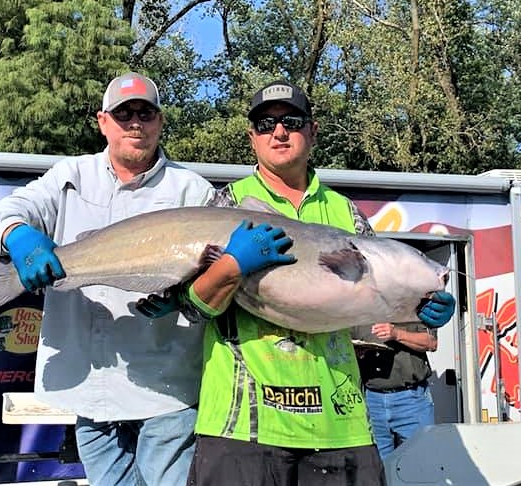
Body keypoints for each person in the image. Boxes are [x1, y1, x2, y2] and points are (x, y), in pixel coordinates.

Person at [138, 80, 456, 485]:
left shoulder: (346, 213)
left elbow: (368, 314)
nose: (279, 132)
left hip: (340, 425)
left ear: (313, 130)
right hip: (243, 427)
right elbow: (193, 306)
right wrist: (232, 266)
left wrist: (419, 309)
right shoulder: (226, 205)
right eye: (265, 124)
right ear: (252, 137)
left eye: (291, 121)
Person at [0, 71, 214, 485]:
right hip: (87, 388)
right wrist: (18, 236)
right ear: (103, 121)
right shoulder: (69, 175)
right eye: (124, 114)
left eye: (146, 113)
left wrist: (182, 296)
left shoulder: (192, 190)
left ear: (160, 121)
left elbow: (217, 280)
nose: (136, 124)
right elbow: (6, 211)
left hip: (167, 391)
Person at [352, 319, 448, 459]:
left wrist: (396, 334)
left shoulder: (412, 304)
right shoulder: (360, 307)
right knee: (378, 467)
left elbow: (431, 342)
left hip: (411, 400)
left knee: (421, 462)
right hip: (372, 401)